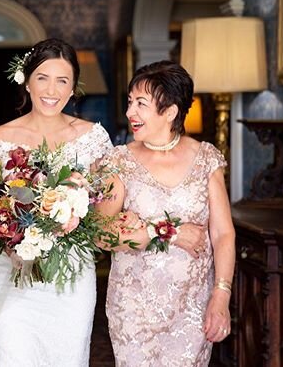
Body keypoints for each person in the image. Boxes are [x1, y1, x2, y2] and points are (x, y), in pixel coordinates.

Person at [0, 38, 113, 366]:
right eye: (43, 77)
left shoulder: (93, 138)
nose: (52, 90)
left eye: (62, 80)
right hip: (9, 273)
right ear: (27, 79)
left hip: (70, 277)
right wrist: (9, 235)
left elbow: (107, 203)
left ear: (73, 87)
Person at [97, 60, 235, 366]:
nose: (130, 113)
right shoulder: (119, 162)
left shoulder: (206, 159)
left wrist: (221, 295)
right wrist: (167, 230)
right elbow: (102, 235)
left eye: (141, 104)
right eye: (130, 102)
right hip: (134, 310)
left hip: (191, 306)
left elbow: (223, 233)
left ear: (170, 111)